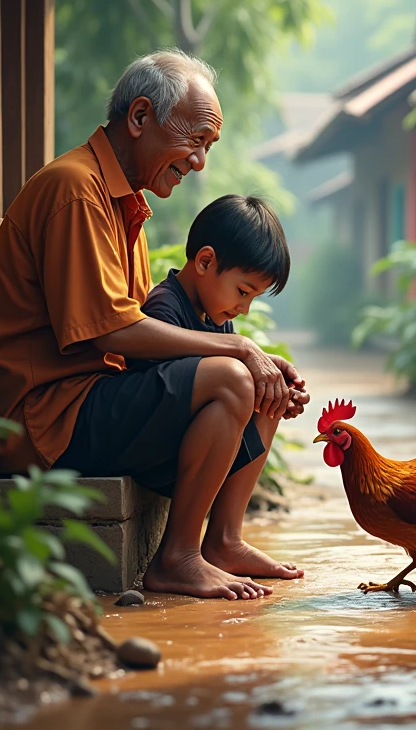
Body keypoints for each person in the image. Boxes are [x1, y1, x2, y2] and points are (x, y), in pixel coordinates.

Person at [0, 50, 309, 602]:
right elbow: (111, 332)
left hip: (86, 400)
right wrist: (242, 351)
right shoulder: (76, 190)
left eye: (209, 147)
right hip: (43, 419)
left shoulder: (120, 200)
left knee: (263, 385)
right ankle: (177, 558)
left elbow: (125, 332)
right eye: (195, 140)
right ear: (140, 117)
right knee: (233, 377)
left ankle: (222, 541)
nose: (200, 161)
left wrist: (256, 361)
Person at [131, 194, 306, 593]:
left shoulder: (211, 313)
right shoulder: (165, 308)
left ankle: (225, 539)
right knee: (242, 380)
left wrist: (274, 391)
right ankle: (179, 555)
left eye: (253, 298)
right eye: (242, 291)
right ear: (206, 262)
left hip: (192, 448)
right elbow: (167, 393)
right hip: (156, 447)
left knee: (269, 394)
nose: (243, 308)